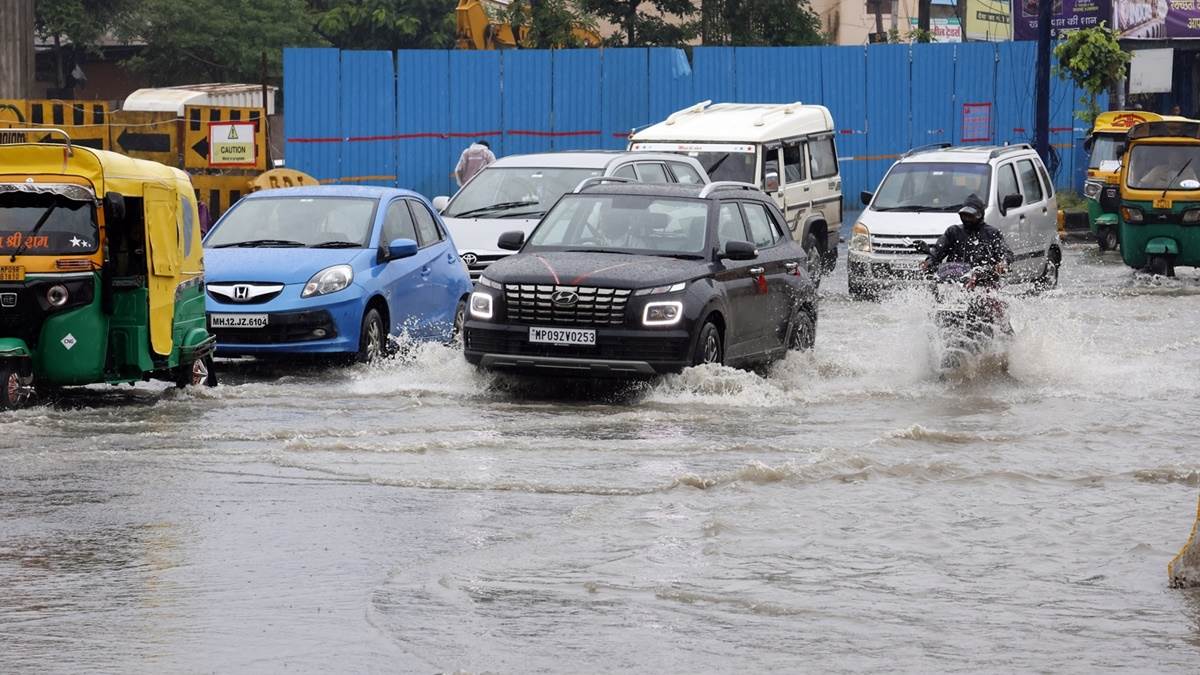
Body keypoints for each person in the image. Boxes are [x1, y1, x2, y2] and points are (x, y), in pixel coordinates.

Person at [921, 193, 1013, 280]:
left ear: (979, 215)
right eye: (964, 216)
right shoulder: (953, 232)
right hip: (955, 279)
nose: (967, 219)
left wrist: (1003, 263)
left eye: (971, 216)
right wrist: (929, 262)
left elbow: (1006, 252)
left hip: (985, 279)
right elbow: (937, 252)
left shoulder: (992, 233)